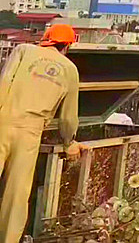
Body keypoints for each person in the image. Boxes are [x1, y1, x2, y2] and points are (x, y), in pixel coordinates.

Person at [0, 24, 82, 243]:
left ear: (46, 39)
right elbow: (68, 117)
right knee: (16, 194)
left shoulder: (23, 50)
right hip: (30, 131)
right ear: (68, 46)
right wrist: (69, 142)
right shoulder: (69, 69)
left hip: (3, 120)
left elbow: (4, 82)